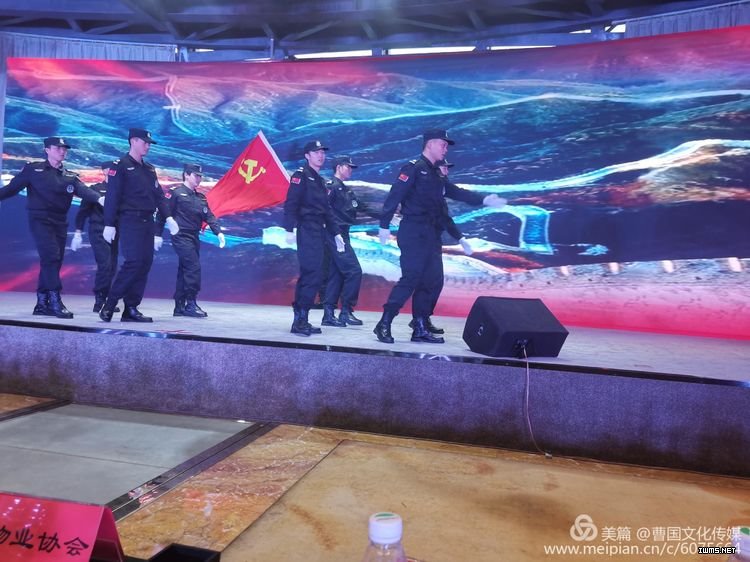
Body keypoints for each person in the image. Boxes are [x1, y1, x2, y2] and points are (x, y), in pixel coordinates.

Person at [375, 129, 507, 344]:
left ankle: (419, 327)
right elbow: (395, 196)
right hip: (413, 231)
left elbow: (456, 192)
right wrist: (384, 225)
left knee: (432, 279)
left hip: (431, 233)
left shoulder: (436, 174)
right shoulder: (413, 168)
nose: (446, 149)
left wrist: (483, 200)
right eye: (443, 144)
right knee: (411, 278)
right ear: (430, 144)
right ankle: (384, 323)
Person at [0, 136, 103, 318]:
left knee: (53, 261)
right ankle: (55, 301)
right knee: (51, 256)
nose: (62, 151)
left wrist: (101, 199)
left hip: (60, 221)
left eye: (64, 149)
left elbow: (85, 191)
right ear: (47, 150)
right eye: (58, 148)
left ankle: (42, 303)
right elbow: (11, 188)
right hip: (40, 219)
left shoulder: (69, 176)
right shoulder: (33, 169)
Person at [99, 128, 179, 323]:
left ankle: (131, 308)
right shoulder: (120, 166)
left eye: (149, 143)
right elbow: (112, 197)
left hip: (147, 221)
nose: (148, 146)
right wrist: (109, 224)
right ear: (133, 141)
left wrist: (169, 218)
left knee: (144, 264)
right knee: (133, 262)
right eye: (145, 142)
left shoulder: (149, 169)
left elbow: (159, 196)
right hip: (129, 220)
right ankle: (109, 304)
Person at [283, 140, 345, 336]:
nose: (321, 155)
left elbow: (327, 210)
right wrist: (289, 229)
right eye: (316, 152)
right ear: (307, 156)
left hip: (319, 231)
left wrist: (336, 233)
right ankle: (300, 320)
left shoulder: (320, 180)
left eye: (322, 152)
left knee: (315, 275)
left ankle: (303, 318)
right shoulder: (300, 176)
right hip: (307, 229)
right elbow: (291, 203)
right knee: (311, 274)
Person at [407, 158, 474, 335]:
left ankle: (423, 317)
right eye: (444, 168)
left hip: (434, 241)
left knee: (436, 281)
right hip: (421, 240)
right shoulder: (427, 191)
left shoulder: (439, 192)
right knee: (425, 281)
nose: (447, 171)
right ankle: (419, 321)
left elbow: (445, 219)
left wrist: (460, 238)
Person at [155, 163, 225, 318]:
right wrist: (157, 234)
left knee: (184, 269)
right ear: (186, 175)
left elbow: (209, 216)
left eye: (200, 176)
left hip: (194, 236)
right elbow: (162, 213)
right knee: (193, 268)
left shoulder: (200, 198)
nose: (199, 179)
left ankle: (179, 306)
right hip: (181, 236)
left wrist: (218, 232)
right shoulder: (176, 193)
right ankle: (191, 303)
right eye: (196, 175)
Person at [322, 155, 378, 327]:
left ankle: (329, 314)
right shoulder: (331, 186)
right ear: (339, 167)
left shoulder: (346, 190)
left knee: (337, 274)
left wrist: (387, 216)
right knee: (354, 271)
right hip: (335, 234)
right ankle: (346, 311)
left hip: (342, 234)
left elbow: (361, 207)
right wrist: (334, 233)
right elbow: (324, 210)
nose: (351, 170)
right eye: (348, 166)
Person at [71, 160, 121, 313]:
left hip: (115, 232)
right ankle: (100, 300)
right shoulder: (95, 190)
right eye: (111, 170)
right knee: (105, 264)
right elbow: (83, 212)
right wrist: (78, 232)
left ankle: (106, 298)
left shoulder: (122, 190)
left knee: (112, 266)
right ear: (104, 171)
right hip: (98, 231)